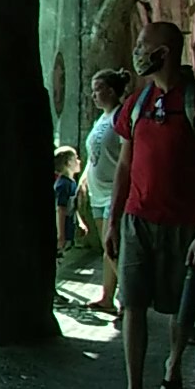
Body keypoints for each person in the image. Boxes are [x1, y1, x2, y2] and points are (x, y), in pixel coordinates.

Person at [97, 22, 195, 389]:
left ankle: (174, 364)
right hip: (137, 220)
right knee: (133, 304)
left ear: (164, 53)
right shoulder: (136, 104)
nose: (136, 51)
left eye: (142, 46)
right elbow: (125, 167)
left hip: (182, 223)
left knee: (179, 305)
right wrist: (114, 219)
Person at [81, 69, 130, 315]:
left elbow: (126, 156)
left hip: (113, 191)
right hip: (97, 193)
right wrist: (83, 179)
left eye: (97, 89)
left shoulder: (121, 117)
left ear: (111, 90)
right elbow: (93, 156)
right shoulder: (102, 118)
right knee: (106, 247)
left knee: (112, 246)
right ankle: (107, 296)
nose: (93, 95)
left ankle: (128, 297)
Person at [53, 146, 84, 258]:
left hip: (69, 228)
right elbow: (60, 210)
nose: (79, 161)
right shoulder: (63, 185)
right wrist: (61, 234)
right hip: (63, 229)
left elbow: (72, 206)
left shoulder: (71, 183)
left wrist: (79, 222)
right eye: (76, 158)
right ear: (68, 163)